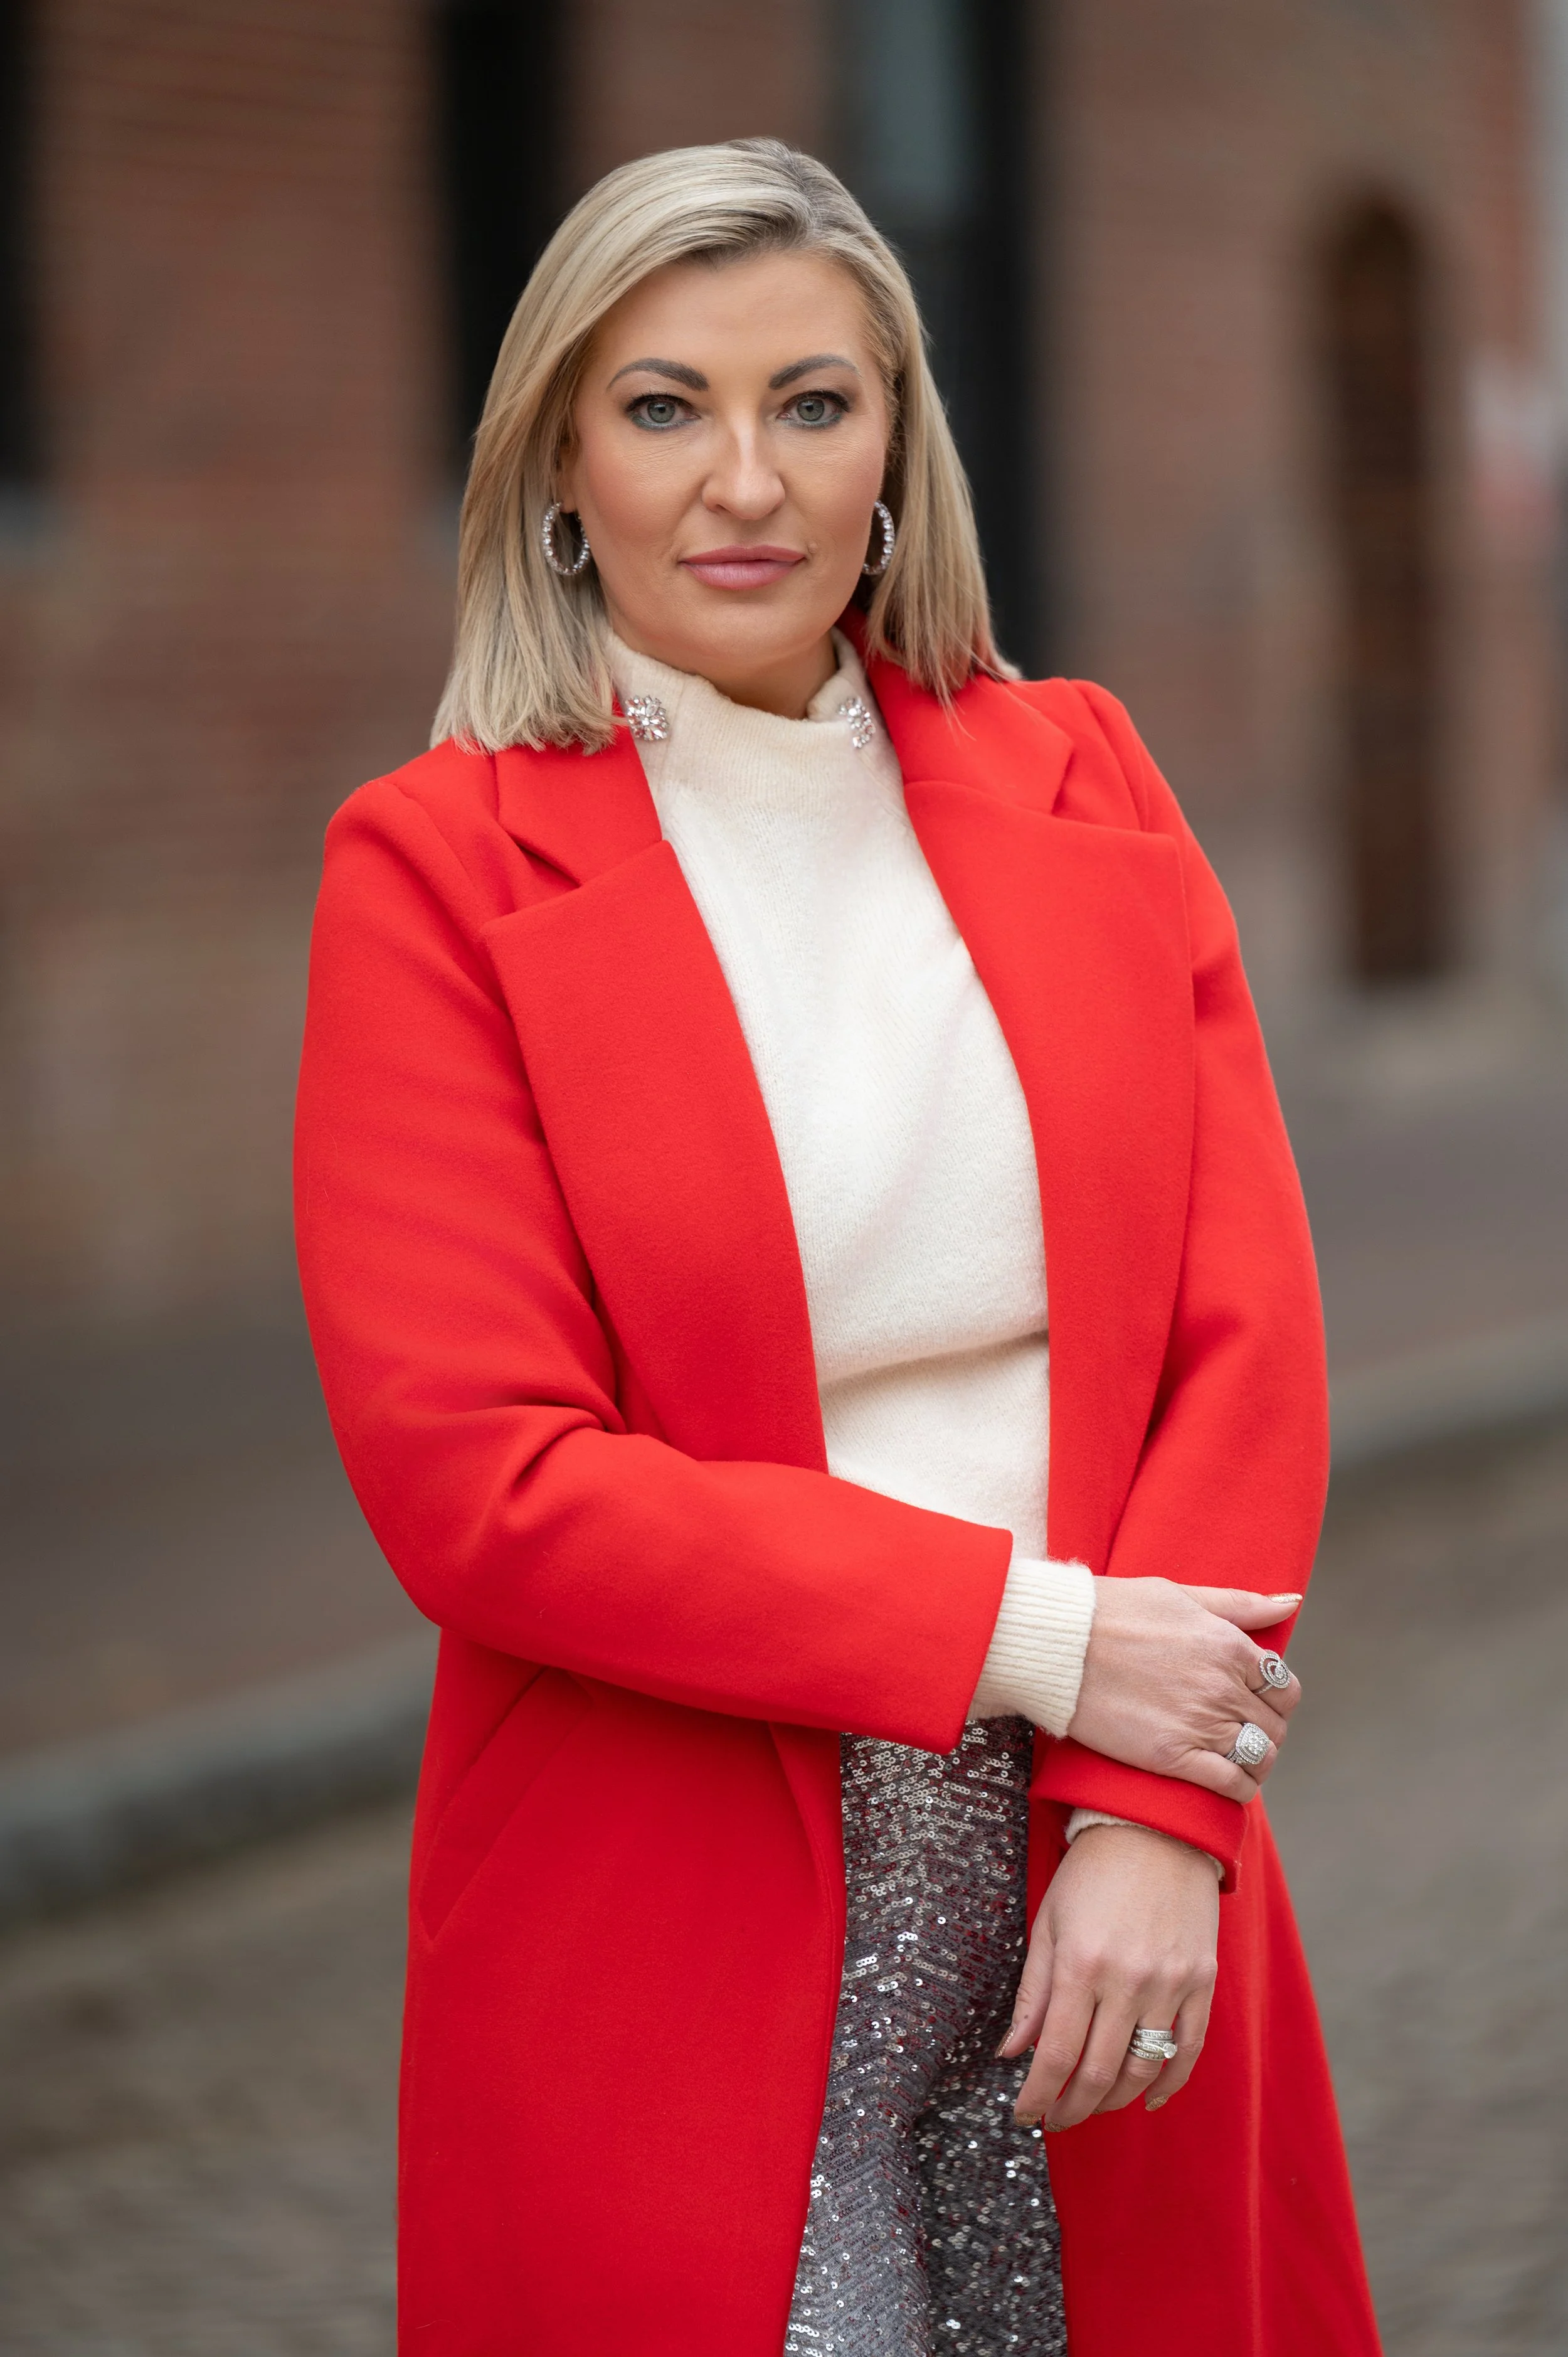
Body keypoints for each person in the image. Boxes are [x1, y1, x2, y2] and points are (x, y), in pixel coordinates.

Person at [295, 139, 1381, 2357]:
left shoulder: (1079, 773)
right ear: (559, 462)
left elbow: (1238, 1332)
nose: (746, 481)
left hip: (1109, 1835)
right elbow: (482, 1483)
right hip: (665, 1865)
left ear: (897, 439)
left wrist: (1156, 1806)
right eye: (665, 404)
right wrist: (1042, 1636)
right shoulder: (436, 870)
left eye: (813, 400)